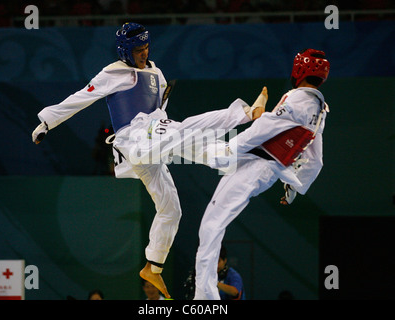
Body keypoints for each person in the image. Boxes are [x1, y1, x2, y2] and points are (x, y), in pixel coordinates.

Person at [31, 22, 267, 299]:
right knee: (185, 132)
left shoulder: (157, 73)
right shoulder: (112, 73)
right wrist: (46, 121)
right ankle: (246, 113)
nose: (144, 54)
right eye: (138, 50)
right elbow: (81, 97)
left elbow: (158, 110)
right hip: (135, 138)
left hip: (153, 139)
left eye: (146, 48)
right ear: (125, 51)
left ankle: (153, 265)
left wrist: (161, 108)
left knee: (172, 206)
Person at [194, 48, 330, 300]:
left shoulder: (299, 100)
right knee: (203, 152)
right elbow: (315, 160)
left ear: (298, 70)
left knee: (212, 224)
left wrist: (230, 149)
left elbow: (263, 128)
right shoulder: (319, 111)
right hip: (263, 163)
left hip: (257, 165)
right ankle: (158, 143)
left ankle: (206, 297)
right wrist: (294, 188)